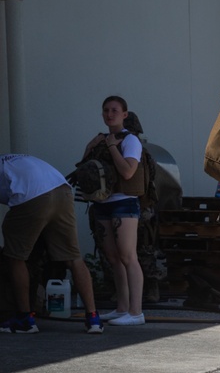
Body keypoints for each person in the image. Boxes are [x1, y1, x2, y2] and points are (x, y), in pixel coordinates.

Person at [0, 154, 103, 334]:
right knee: (73, 258)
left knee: (15, 257)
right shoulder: (13, 160)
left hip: (32, 195)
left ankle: (25, 320)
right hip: (62, 190)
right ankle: (93, 318)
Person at [79, 95, 146, 325]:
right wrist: (92, 146)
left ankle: (136, 312)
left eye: (115, 110)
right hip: (103, 203)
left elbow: (128, 172)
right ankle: (122, 307)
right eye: (106, 110)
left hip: (124, 202)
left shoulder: (130, 141)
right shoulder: (101, 139)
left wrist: (111, 147)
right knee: (113, 258)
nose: (110, 114)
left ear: (125, 114)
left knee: (128, 256)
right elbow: (86, 169)